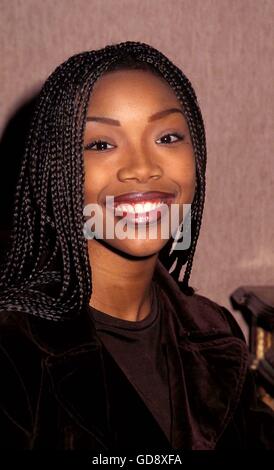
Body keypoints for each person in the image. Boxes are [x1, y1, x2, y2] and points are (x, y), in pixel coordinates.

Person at [0, 41, 273, 451]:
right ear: (55, 172)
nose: (143, 167)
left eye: (167, 136)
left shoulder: (216, 333)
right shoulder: (13, 352)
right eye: (101, 144)